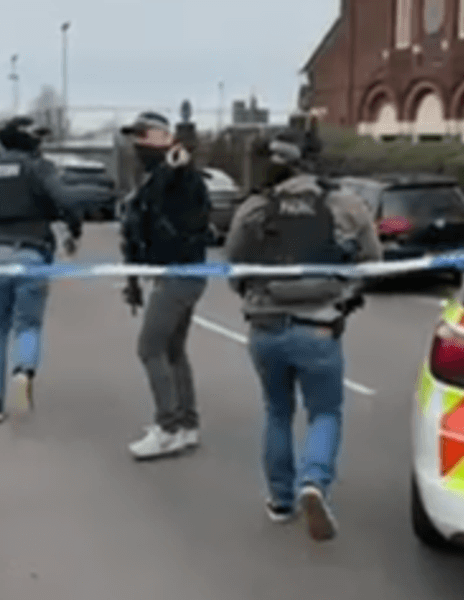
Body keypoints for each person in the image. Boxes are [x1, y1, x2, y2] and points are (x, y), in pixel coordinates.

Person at [224, 133, 380, 542]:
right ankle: (314, 482)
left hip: (266, 327)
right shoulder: (345, 204)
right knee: (324, 412)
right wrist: (346, 294)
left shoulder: (255, 207)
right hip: (320, 327)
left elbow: (233, 263)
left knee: (277, 411)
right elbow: (372, 263)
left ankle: (280, 501)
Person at [0, 117, 83, 424]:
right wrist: (74, 226)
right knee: (28, 325)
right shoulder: (39, 167)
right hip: (32, 250)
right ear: (28, 140)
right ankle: (23, 370)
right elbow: (64, 200)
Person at [119, 111, 212, 460]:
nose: (138, 143)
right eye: (135, 136)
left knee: (149, 347)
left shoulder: (177, 173)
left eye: (144, 135)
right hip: (177, 273)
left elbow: (175, 187)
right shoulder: (157, 175)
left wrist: (176, 164)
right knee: (173, 350)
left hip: (180, 274)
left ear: (164, 137)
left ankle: (168, 427)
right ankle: (186, 424)